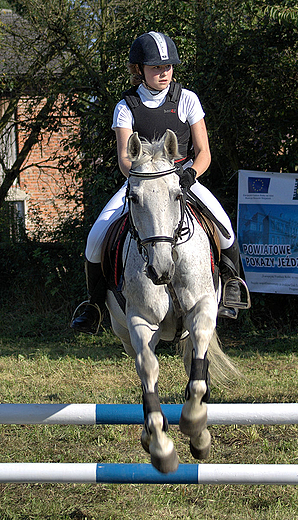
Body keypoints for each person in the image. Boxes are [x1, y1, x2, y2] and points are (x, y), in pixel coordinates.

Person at [71, 31, 244, 334]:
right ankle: (95, 304)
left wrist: (190, 175)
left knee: (225, 228)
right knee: (95, 239)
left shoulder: (187, 99)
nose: (163, 73)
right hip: (142, 186)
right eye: (155, 68)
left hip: (183, 182)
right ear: (139, 70)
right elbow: (126, 160)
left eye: (167, 67)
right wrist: (140, 178)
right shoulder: (126, 106)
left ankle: (231, 287)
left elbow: (204, 153)